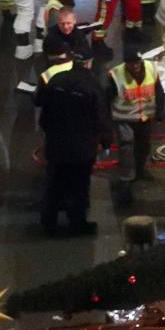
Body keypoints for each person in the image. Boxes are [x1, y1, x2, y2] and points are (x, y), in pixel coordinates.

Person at [34, 47, 112, 236]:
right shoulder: (92, 85)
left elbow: (41, 107)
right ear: (88, 63)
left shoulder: (56, 80)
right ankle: (77, 223)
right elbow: (101, 117)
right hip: (82, 147)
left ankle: (49, 223)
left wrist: (50, 133)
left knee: (54, 184)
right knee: (79, 186)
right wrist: (106, 141)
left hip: (56, 144)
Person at [107, 44, 165, 206]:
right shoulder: (116, 75)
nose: (136, 67)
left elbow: (158, 91)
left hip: (144, 117)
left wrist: (161, 110)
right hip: (124, 118)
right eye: (132, 64)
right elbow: (107, 99)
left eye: (138, 63)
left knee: (144, 146)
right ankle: (126, 178)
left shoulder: (152, 69)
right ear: (126, 64)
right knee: (126, 146)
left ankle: (141, 170)